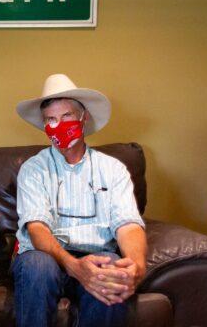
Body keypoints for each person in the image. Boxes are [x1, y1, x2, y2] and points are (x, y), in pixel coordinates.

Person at [12, 74, 147, 327]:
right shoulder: (33, 169)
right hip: (45, 257)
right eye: (51, 119)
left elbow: (128, 223)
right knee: (37, 266)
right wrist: (74, 266)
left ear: (83, 118)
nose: (58, 125)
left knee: (114, 270)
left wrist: (136, 267)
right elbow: (37, 228)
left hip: (97, 255)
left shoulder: (113, 169)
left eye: (66, 117)